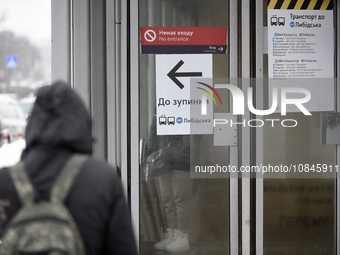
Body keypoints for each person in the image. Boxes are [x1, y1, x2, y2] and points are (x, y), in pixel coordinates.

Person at [0, 81, 138, 255]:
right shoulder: (102, 178)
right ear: (82, 122)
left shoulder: (5, 181)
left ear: (33, 124)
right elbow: (124, 248)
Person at [147, 118, 193, 252]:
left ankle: (182, 236)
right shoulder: (163, 105)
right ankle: (172, 233)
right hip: (162, 161)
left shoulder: (186, 107)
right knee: (168, 199)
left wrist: (172, 153)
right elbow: (154, 132)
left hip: (182, 162)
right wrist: (152, 153)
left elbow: (192, 138)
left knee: (181, 200)